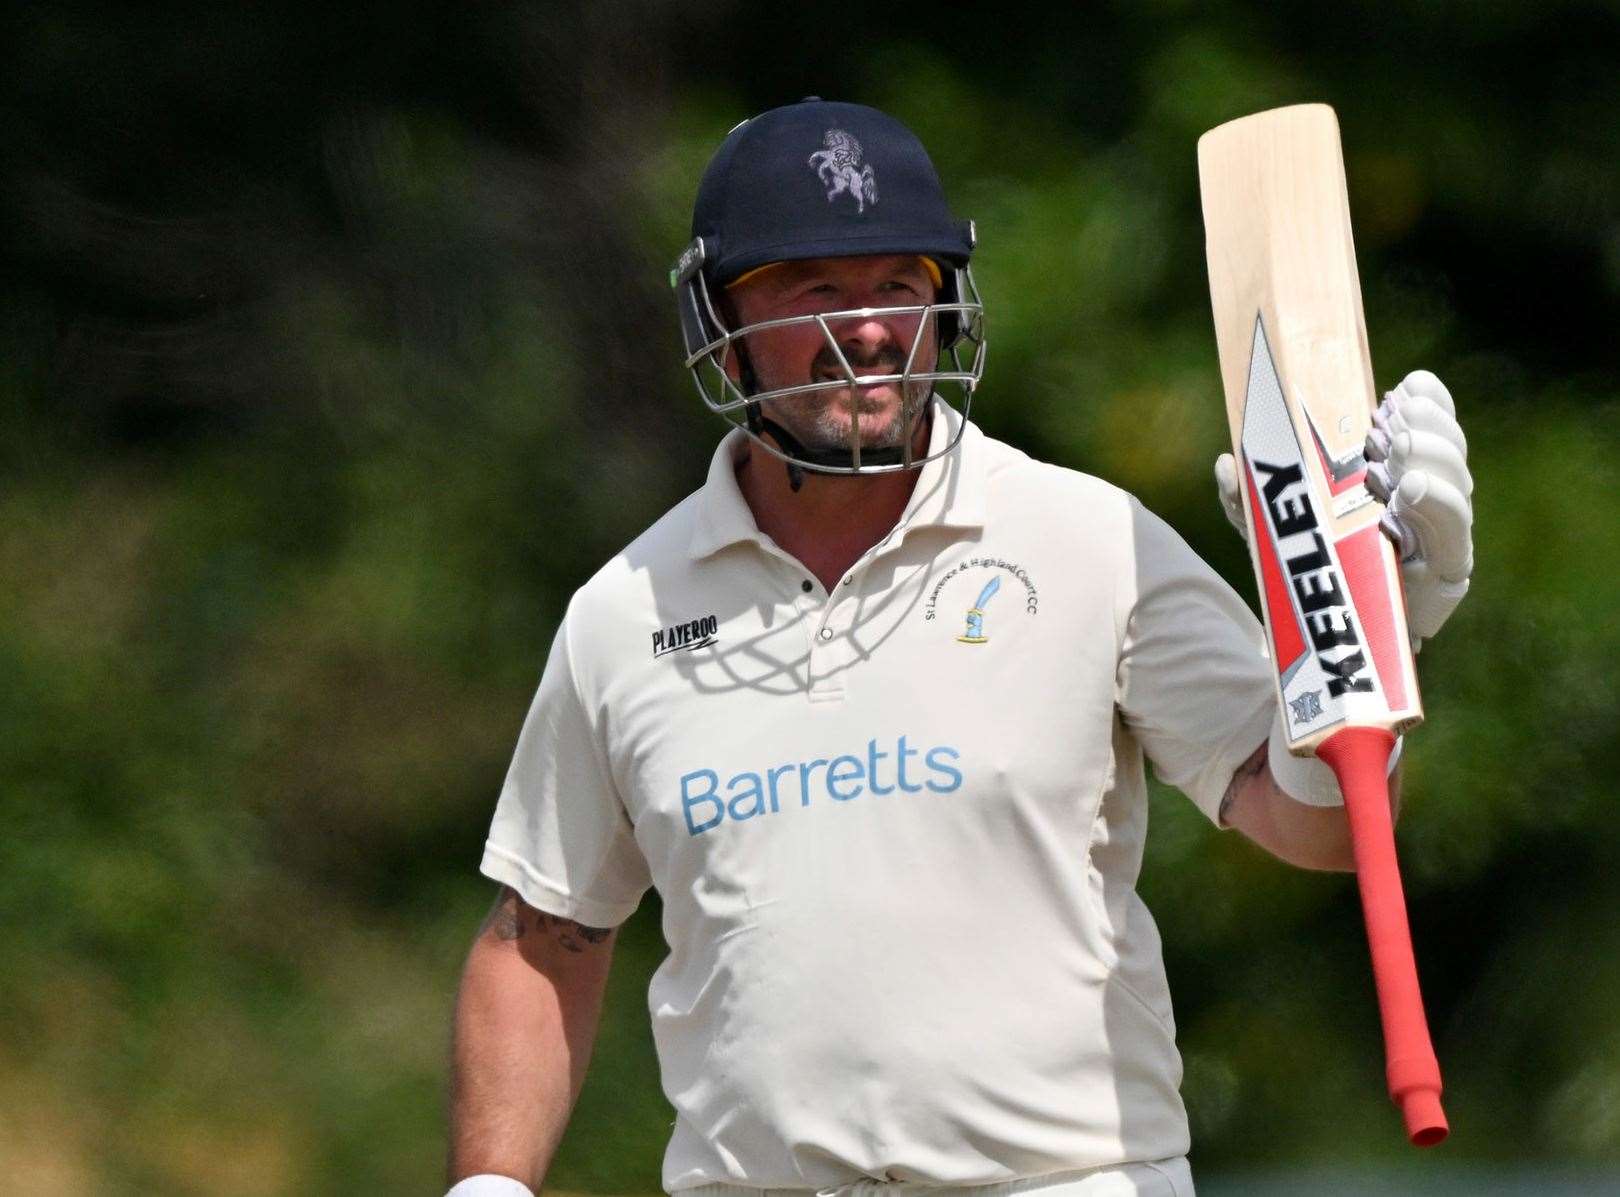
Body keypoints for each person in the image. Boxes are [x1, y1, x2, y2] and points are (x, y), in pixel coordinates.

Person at [445, 99, 1474, 1197]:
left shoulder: (1088, 538)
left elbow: (1312, 827)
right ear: (720, 325)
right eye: (818, 291)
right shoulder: (627, 614)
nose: (873, 329)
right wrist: (491, 1186)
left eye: (901, 285)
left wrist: (1369, 628)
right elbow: (542, 936)